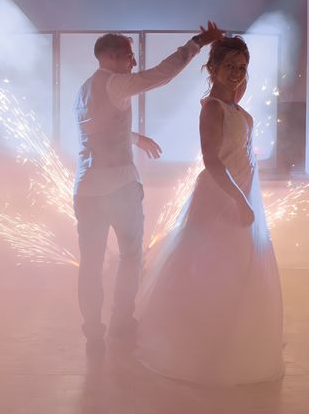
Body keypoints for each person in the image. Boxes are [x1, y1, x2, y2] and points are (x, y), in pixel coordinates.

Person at [136, 36, 284, 385]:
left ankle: (229, 341)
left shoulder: (234, 106)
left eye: (242, 68)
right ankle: (200, 346)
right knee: (210, 272)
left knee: (239, 269)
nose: (236, 73)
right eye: (229, 66)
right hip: (221, 197)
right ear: (212, 68)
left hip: (243, 193)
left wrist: (246, 198)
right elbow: (212, 162)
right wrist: (239, 200)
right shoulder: (212, 108)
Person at [74, 23, 223, 357]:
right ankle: (122, 321)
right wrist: (197, 42)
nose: (134, 63)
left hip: (84, 189)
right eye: (129, 55)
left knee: (91, 263)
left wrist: (137, 138)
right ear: (112, 56)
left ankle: (93, 331)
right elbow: (161, 75)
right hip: (118, 189)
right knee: (130, 257)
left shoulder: (83, 90)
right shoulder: (116, 83)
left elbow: (100, 129)